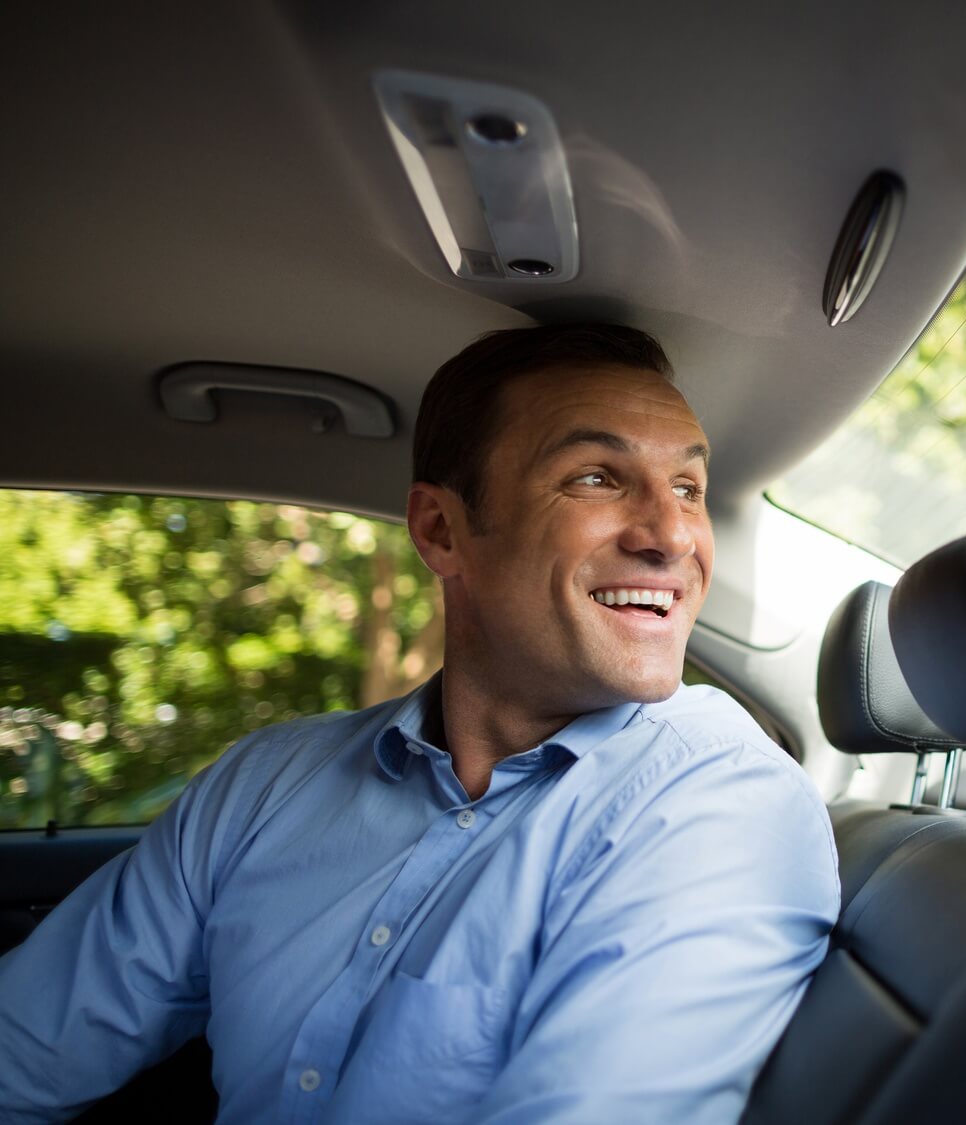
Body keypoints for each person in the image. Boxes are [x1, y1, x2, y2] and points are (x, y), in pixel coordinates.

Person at [0, 324, 840, 1123]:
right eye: (596, 476)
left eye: (689, 487)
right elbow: (24, 1050)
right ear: (442, 530)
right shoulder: (262, 786)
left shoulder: (718, 805)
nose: (671, 534)